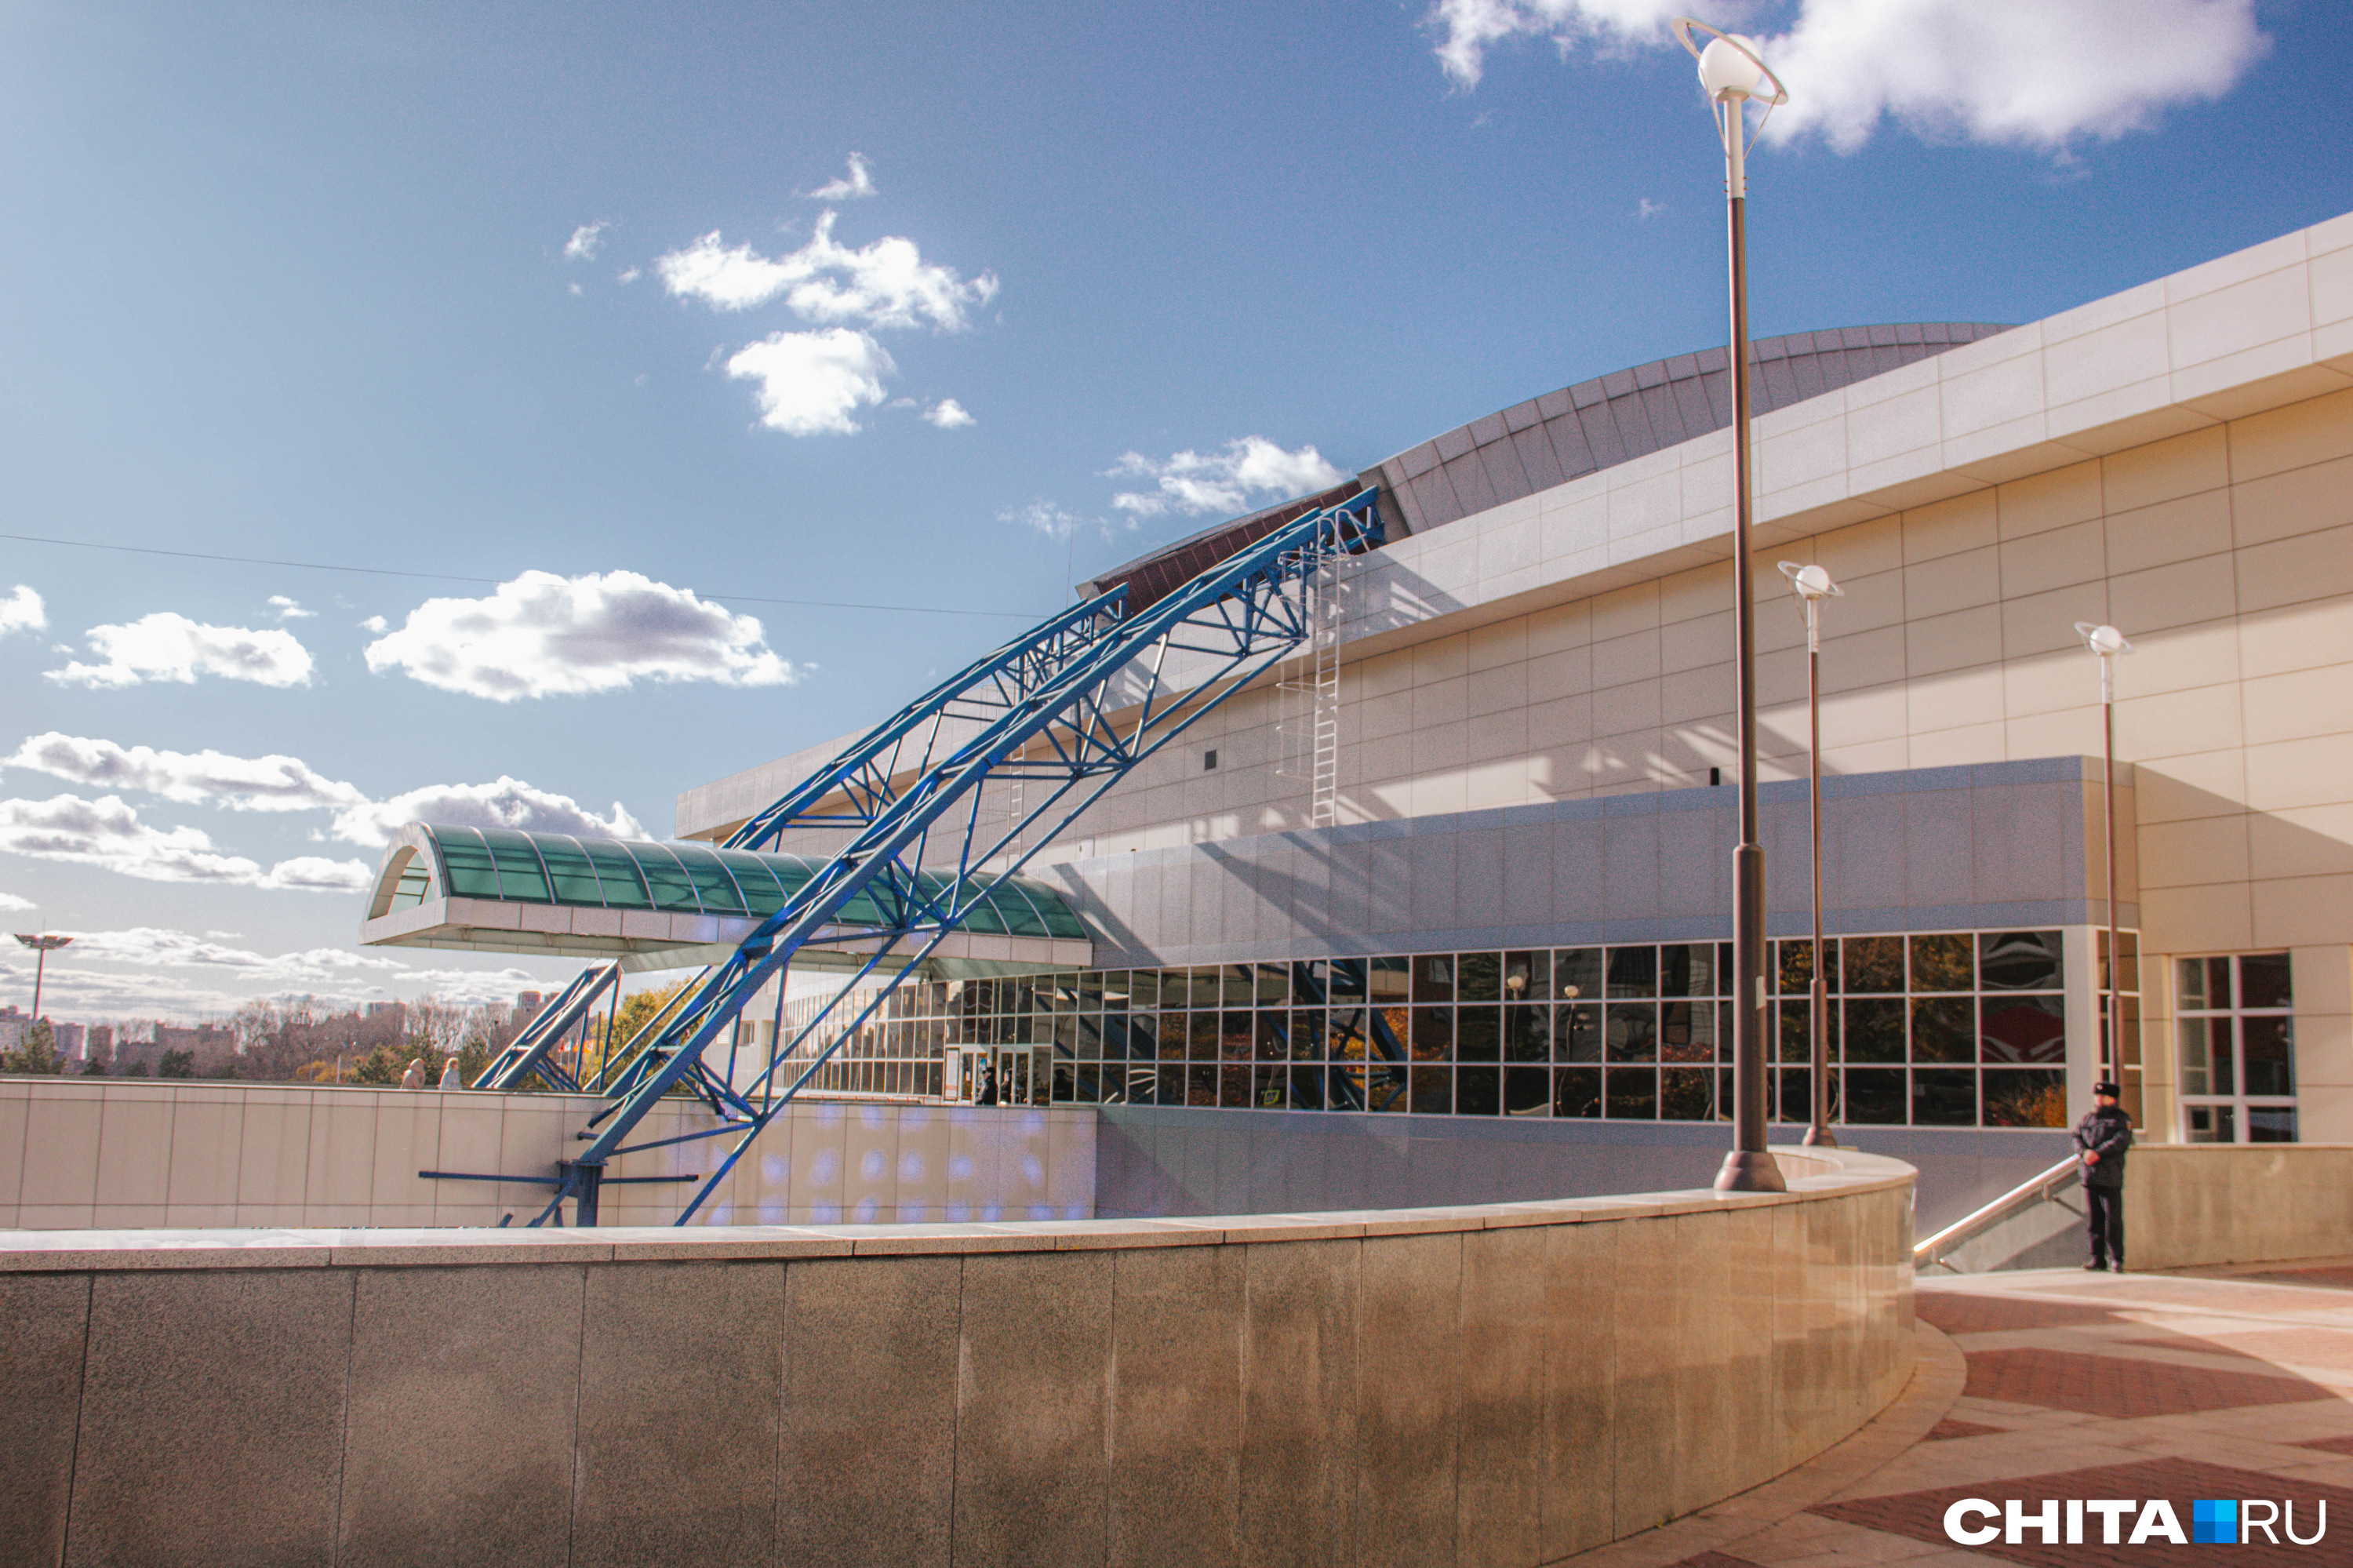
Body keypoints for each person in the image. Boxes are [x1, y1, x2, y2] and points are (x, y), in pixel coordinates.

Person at [2074, 1079, 2133, 1271]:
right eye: (2097, 1095)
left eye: (2102, 1095)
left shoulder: (2120, 1120)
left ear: (2112, 1099)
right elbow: (2076, 1137)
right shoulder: (2088, 1119)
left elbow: (2120, 1141)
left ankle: (2117, 1258)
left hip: (2110, 1176)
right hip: (2090, 1176)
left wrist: (2097, 1153)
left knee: (2113, 1219)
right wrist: (2084, 1152)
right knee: (2095, 1220)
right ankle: (2097, 1258)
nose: (2098, 1098)